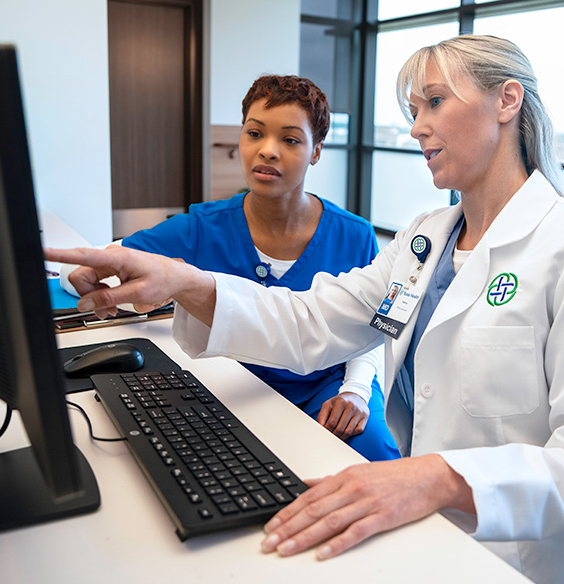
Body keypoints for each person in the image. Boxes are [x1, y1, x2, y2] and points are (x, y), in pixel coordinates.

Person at [46, 35, 564, 584]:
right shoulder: (424, 241)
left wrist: (434, 478)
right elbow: (311, 321)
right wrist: (188, 282)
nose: (416, 129)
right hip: (433, 534)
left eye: (434, 102)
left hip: (538, 566)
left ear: (506, 100)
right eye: (414, 110)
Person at [60, 75, 399, 462]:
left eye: (290, 140)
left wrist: (355, 389)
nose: (267, 151)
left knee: (376, 453)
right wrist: (85, 280)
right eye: (255, 133)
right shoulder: (201, 226)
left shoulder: (354, 235)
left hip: (328, 384)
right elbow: (114, 262)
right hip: (233, 382)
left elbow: (377, 329)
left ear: (316, 151)